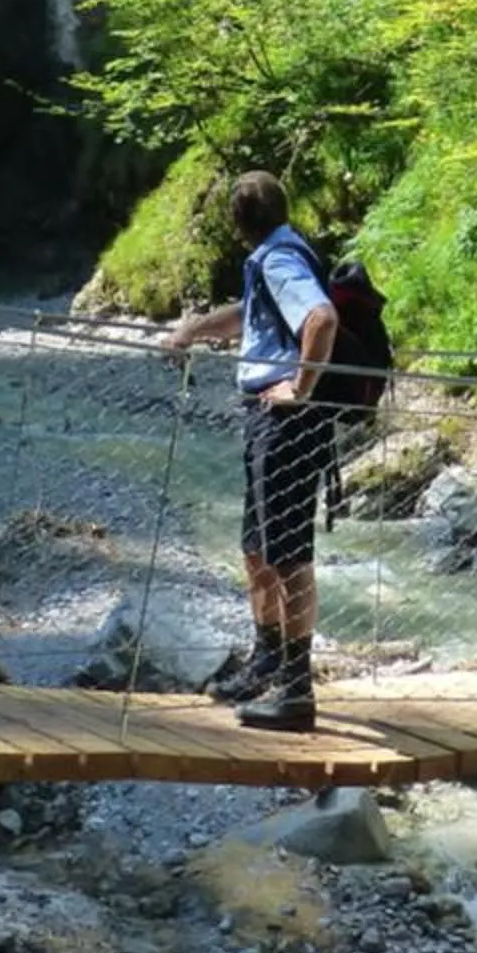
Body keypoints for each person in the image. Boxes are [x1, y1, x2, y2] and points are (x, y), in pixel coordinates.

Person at [166, 169, 337, 733]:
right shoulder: (274, 256)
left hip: (286, 421)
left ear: (236, 221)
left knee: (288, 556)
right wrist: (192, 330)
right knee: (257, 549)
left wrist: (300, 387)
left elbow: (320, 317)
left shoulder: (278, 260)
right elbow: (250, 316)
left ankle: (296, 690)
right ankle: (267, 660)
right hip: (267, 419)